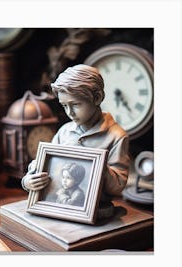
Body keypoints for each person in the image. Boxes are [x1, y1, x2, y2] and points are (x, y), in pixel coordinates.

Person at [21, 64, 130, 218]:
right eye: (64, 106)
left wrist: (97, 164)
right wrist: (28, 182)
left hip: (97, 212)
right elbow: (41, 165)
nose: (69, 112)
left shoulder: (116, 136)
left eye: (76, 105)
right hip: (58, 206)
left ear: (97, 97)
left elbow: (118, 186)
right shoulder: (64, 132)